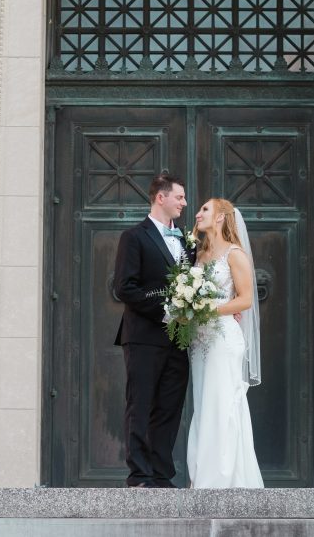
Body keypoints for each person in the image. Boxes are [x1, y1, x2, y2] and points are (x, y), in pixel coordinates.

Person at [112, 174, 193, 488]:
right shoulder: (134, 237)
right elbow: (125, 288)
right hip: (144, 337)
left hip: (179, 339)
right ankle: (140, 474)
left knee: (170, 407)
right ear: (161, 197)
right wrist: (166, 310)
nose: (184, 204)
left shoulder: (187, 241)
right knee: (141, 403)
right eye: (180, 197)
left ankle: (161, 473)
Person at [186, 197, 264, 488]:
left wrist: (207, 310)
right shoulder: (200, 254)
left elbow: (244, 300)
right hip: (200, 341)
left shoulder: (235, 254)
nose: (197, 214)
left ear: (220, 217)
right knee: (204, 404)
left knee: (221, 404)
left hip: (223, 338)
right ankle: (202, 476)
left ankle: (221, 479)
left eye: (205, 209)